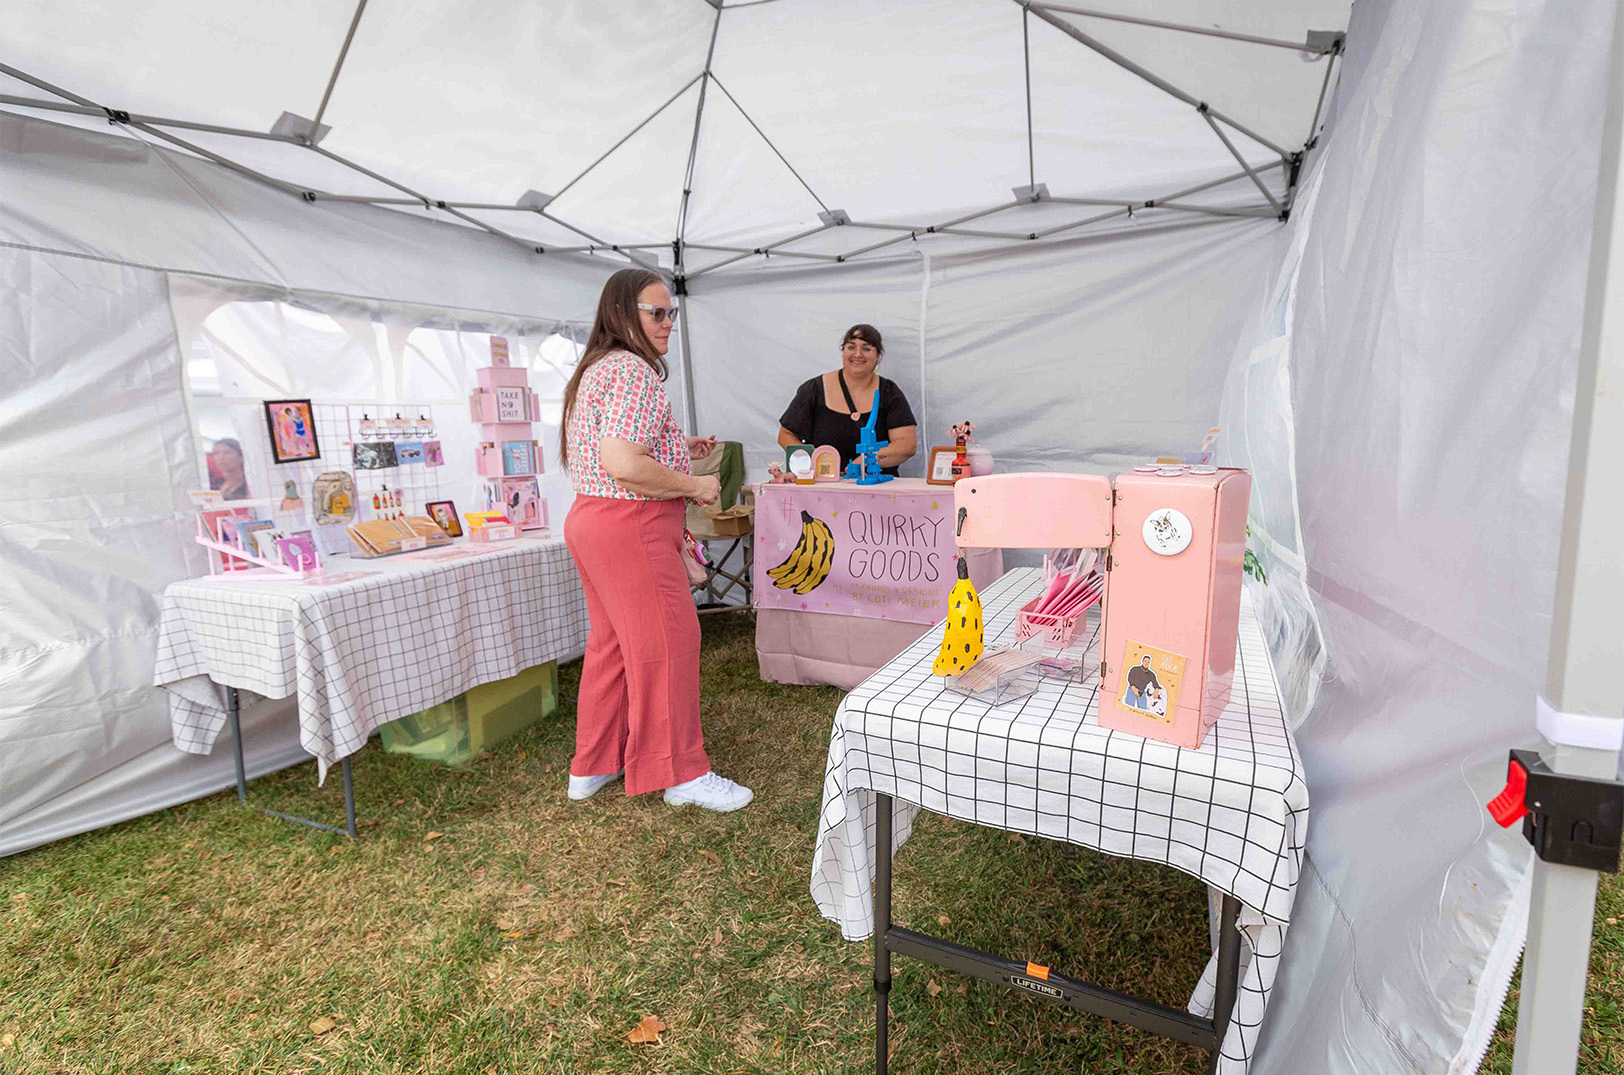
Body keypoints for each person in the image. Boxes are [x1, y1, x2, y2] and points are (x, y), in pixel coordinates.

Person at [559, 267, 753, 813]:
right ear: (625, 314)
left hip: (592, 521)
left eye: (672, 313)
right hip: (631, 524)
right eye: (657, 312)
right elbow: (623, 463)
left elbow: (610, 451)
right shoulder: (634, 372)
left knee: (613, 647)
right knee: (671, 641)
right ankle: (681, 773)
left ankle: (593, 764)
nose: (669, 322)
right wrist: (696, 484)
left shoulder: (596, 369)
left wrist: (673, 448)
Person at [777, 324, 918, 475]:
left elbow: (907, 445)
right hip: (824, 489)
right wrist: (815, 462)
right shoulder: (814, 389)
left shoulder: (890, 392)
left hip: (876, 489)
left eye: (866, 348)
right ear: (843, 351)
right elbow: (786, 435)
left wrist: (868, 459)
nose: (858, 354)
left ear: (878, 356)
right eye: (851, 347)